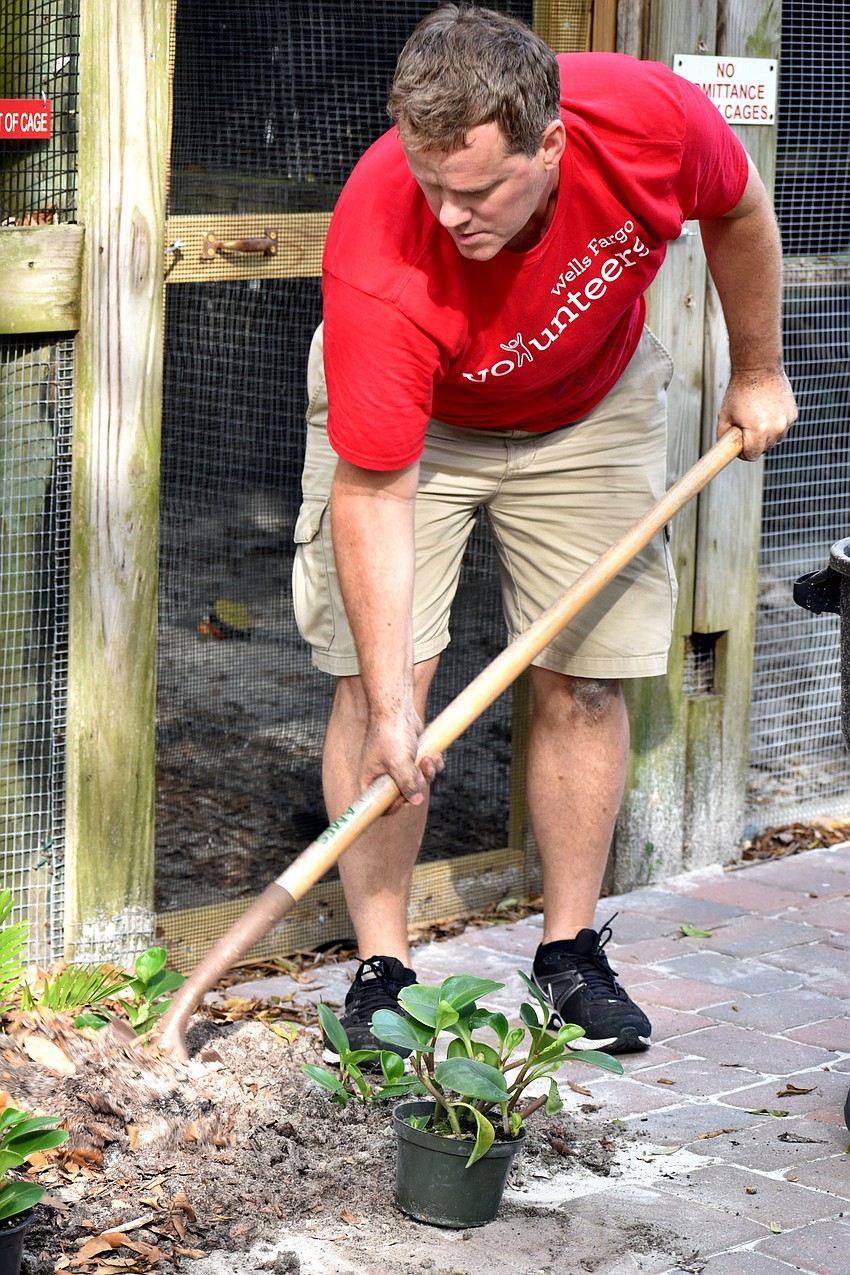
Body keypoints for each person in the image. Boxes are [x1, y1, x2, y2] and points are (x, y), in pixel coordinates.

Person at [292, 4, 797, 1058]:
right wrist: (393, 704)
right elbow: (374, 493)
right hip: (416, 433)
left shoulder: (648, 122)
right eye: (430, 183)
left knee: (587, 678)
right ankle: (381, 969)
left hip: (589, 405)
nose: (448, 215)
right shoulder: (381, 243)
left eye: (476, 190)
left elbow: (740, 215)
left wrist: (756, 369)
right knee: (386, 694)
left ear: (551, 142)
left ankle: (568, 953)